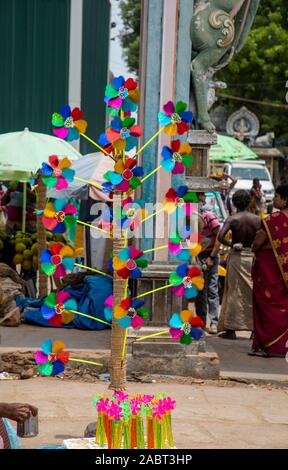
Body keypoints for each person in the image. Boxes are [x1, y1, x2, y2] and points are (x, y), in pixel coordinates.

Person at [217, 190, 261, 339]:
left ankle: (231, 330)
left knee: (234, 293)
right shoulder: (257, 219)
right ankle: (254, 330)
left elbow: (220, 236)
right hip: (253, 257)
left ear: (234, 203)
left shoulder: (232, 219)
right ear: (249, 202)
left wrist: (232, 244)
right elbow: (262, 238)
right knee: (252, 291)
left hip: (237, 256)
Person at [251, 184, 288, 357]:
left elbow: (257, 243)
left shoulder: (272, 221)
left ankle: (271, 346)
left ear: (285, 200)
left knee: (268, 307)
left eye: (277, 197)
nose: (274, 200)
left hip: (270, 274)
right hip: (280, 275)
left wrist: (255, 246)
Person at [195, 193, 221, 334]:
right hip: (197, 255)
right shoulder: (188, 217)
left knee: (212, 288)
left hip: (210, 254)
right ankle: (201, 321)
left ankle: (214, 322)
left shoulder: (209, 216)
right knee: (200, 291)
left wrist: (212, 256)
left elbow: (219, 236)